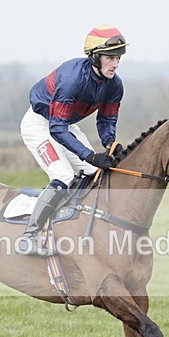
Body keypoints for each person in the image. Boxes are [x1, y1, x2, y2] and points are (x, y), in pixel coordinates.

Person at [17, 24, 128, 256]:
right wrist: (89, 154)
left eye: (118, 58)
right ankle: (29, 237)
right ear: (95, 57)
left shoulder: (115, 85)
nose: (115, 64)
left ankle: (74, 228)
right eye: (110, 58)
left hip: (64, 124)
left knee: (93, 173)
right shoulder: (72, 79)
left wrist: (110, 144)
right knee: (64, 176)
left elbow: (106, 120)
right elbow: (56, 129)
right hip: (39, 124)